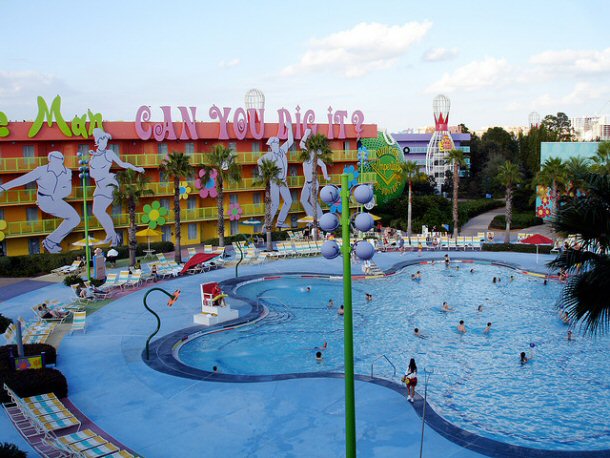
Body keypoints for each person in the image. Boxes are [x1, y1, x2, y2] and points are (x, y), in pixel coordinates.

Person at [0, 151, 80, 253]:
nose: (57, 164)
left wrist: (56, 195)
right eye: (55, 161)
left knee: (75, 219)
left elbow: (67, 189)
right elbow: (23, 180)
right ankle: (50, 241)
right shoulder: (41, 170)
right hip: (44, 200)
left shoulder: (67, 172)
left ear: (62, 161)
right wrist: (3, 187)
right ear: (50, 160)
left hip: (56, 199)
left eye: (60, 161)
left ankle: (51, 241)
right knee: (73, 218)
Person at [89, 128, 145, 245]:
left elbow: (122, 164)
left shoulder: (109, 153)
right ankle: (111, 234)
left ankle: (113, 236)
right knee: (97, 211)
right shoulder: (93, 157)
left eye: (106, 142)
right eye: (103, 141)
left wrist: (136, 168)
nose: (105, 144)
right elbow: (92, 173)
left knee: (99, 210)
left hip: (109, 183)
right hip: (99, 186)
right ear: (98, 142)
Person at [257, 122, 294, 228]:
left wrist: (290, 128)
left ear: (275, 144)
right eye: (270, 146)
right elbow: (259, 161)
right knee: (275, 204)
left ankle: (280, 223)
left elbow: (290, 141)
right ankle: (266, 226)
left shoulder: (282, 150)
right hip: (274, 182)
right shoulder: (269, 155)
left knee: (289, 201)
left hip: (283, 181)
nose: (271, 147)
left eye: (271, 145)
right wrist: (261, 173)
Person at [299, 128, 330, 221]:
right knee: (303, 200)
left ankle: (321, 219)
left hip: (313, 183)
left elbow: (323, 165)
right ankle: (312, 217)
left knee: (313, 201)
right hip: (306, 182)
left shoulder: (314, 157)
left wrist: (326, 177)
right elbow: (301, 144)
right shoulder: (306, 154)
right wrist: (306, 134)